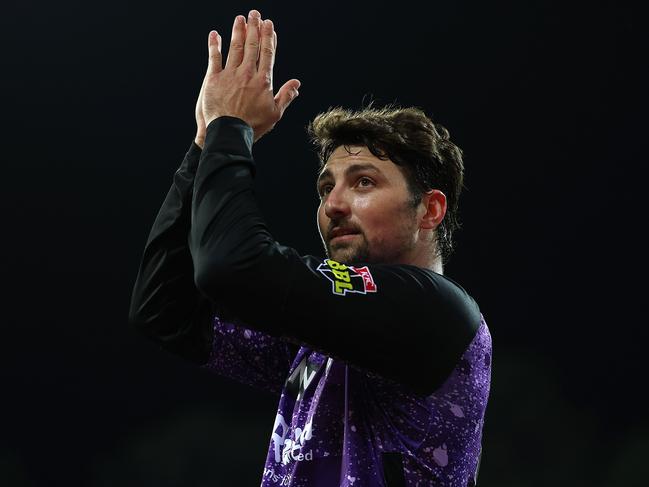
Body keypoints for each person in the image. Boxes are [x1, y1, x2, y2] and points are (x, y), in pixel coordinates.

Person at [128, 9, 492, 486]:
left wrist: (230, 131)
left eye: (362, 182)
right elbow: (163, 311)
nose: (334, 204)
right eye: (325, 188)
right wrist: (203, 147)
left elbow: (232, 269)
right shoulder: (320, 350)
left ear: (429, 210)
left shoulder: (436, 313)